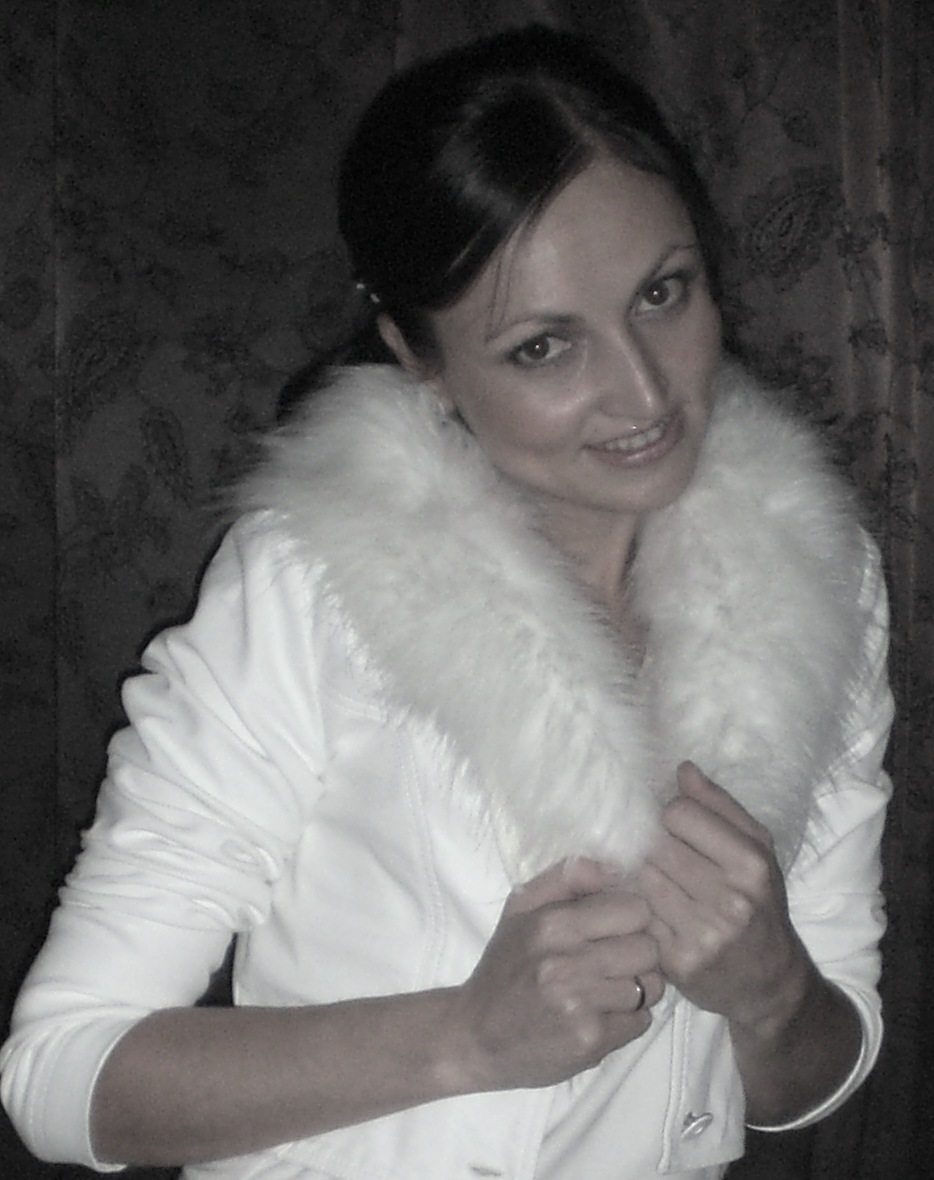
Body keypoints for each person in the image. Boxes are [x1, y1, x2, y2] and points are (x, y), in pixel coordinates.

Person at [1, 25, 893, 1180]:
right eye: (542, 347)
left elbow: (812, 1075)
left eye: (661, 292)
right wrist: (466, 1037)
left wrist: (774, 994)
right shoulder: (312, 584)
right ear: (418, 356)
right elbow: (63, 1076)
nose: (643, 392)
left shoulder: (822, 580)